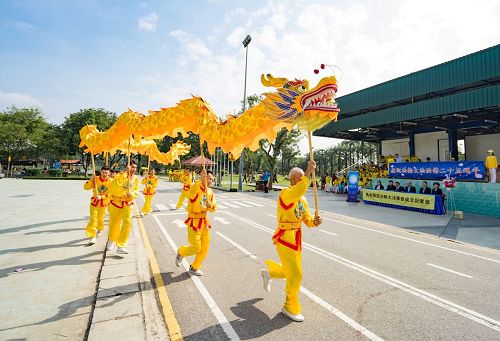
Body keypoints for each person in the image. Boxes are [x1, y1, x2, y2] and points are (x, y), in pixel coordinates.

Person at [261, 161, 322, 322]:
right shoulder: (286, 194)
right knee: (296, 274)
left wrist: (314, 221)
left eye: (304, 178)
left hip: (297, 239)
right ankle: (289, 307)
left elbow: (306, 219)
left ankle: (269, 273)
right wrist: (309, 172)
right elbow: (301, 188)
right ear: (293, 180)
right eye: (300, 178)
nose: (303, 181)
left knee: (291, 271)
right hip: (285, 238)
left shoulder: (302, 200)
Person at [175, 169, 217, 275]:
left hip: (204, 222)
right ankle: (181, 252)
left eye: (212, 179)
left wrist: (210, 206)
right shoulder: (195, 187)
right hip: (194, 221)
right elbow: (192, 192)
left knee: (205, 247)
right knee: (196, 247)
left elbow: (214, 208)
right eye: (209, 179)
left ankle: (194, 267)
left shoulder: (211, 192)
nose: (211, 181)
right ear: (204, 177)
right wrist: (200, 179)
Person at [107, 162, 140, 254]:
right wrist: (125, 172)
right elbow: (116, 184)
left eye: (135, 167)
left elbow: (137, 189)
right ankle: (111, 240)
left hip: (127, 203)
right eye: (132, 167)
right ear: (127, 166)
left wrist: (132, 194)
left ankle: (121, 245)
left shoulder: (136, 178)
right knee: (114, 223)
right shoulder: (119, 175)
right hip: (116, 203)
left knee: (127, 223)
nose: (133, 169)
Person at [83, 166, 112, 245]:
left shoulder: (111, 181)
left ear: (109, 173)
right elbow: (85, 187)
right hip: (94, 202)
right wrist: (91, 180)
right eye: (103, 172)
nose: (104, 174)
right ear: (100, 172)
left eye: (106, 173)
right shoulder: (95, 179)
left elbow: (111, 194)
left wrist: (102, 196)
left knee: (101, 218)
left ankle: (100, 228)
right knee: (93, 219)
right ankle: (93, 236)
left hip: (104, 203)